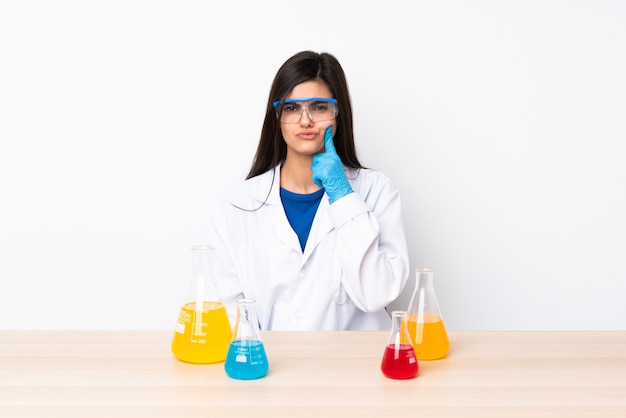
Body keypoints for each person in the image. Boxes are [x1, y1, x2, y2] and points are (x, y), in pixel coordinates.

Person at [206, 50, 409, 330]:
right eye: (291, 108)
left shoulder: (376, 191)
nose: (305, 121)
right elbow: (228, 314)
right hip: (269, 367)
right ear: (276, 118)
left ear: (338, 114)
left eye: (319, 107)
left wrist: (343, 197)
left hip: (358, 368)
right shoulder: (237, 205)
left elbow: (376, 294)